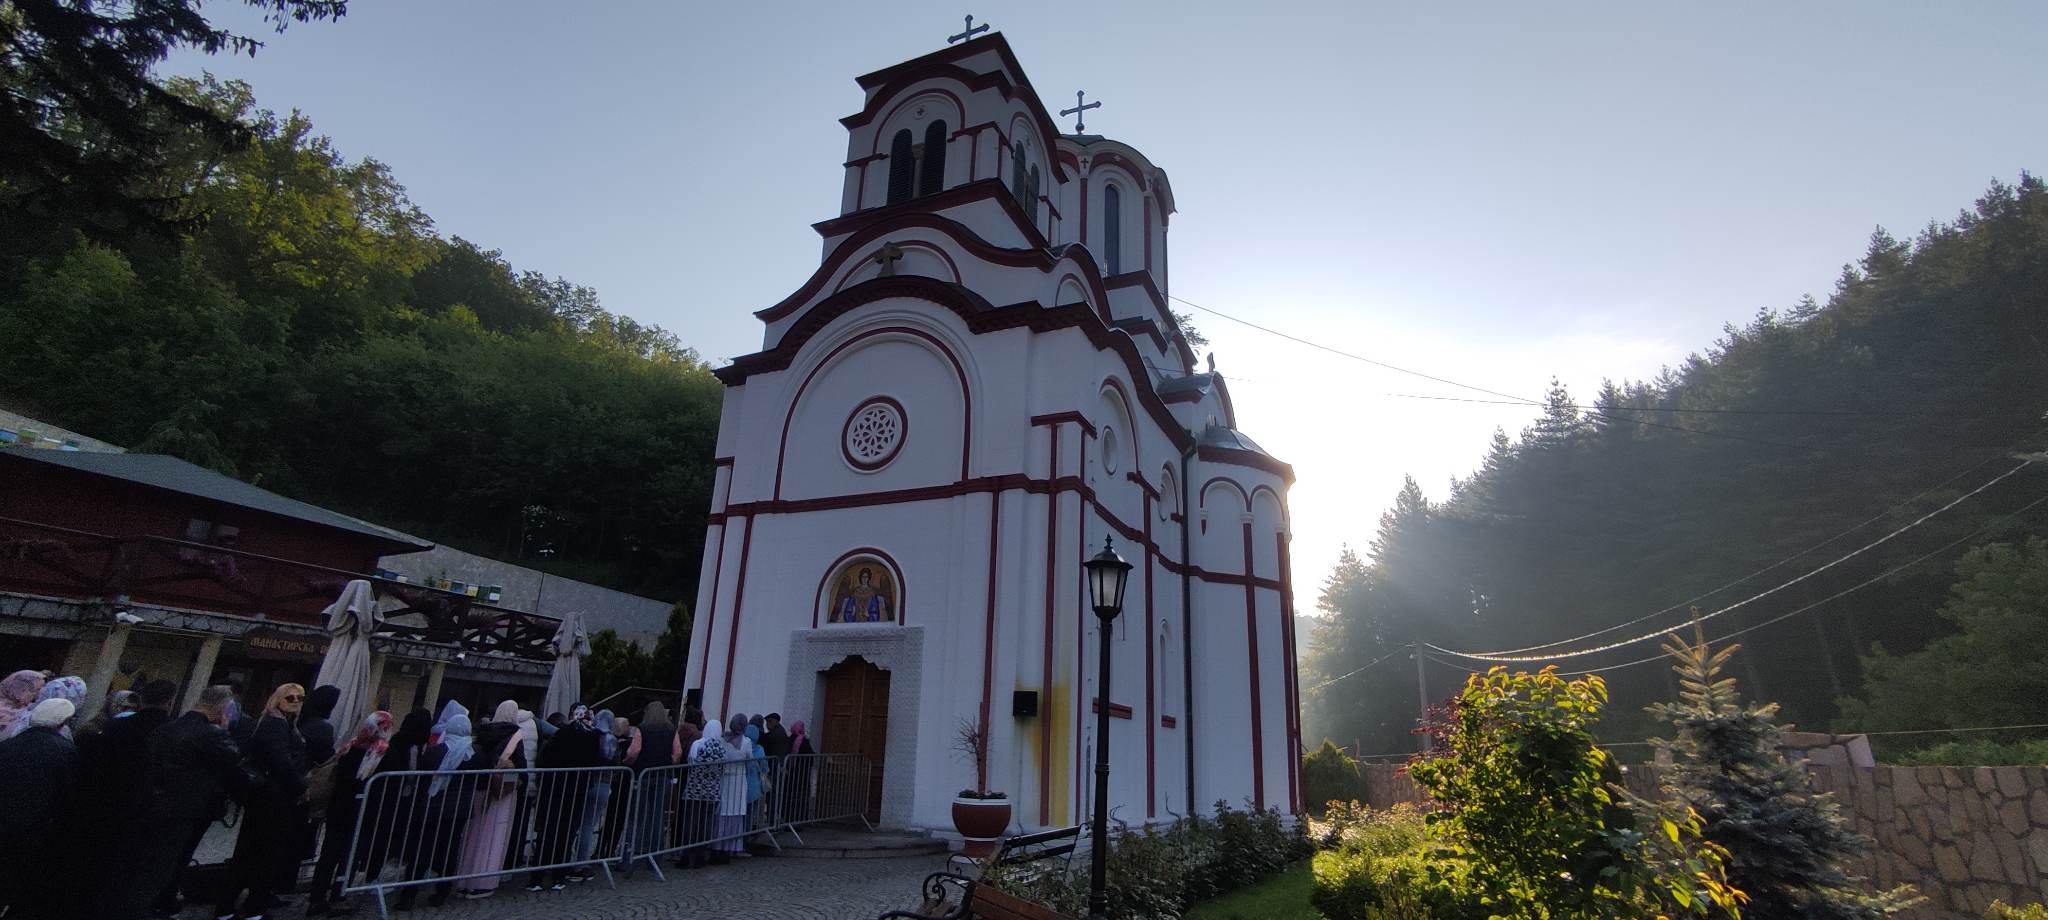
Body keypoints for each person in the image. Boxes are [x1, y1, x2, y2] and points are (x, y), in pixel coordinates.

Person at [94, 686, 252, 920]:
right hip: (184, 808)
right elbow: (232, 759)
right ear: (222, 709)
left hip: (153, 803)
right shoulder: (212, 734)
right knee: (162, 865)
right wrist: (226, 729)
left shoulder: (168, 728)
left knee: (140, 862)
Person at [59, 679, 176, 916]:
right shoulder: (168, 733)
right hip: (138, 818)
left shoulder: (109, 729)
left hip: (100, 814)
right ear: (170, 703)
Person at [216, 683, 309, 920]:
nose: (296, 701)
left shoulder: (282, 724)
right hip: (271, 798)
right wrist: (301, 786)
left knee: (254, 850)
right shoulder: (274, 724)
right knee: (262, 852)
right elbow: (281, 762)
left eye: (300, 697)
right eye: (290, 697)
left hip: (269, 796)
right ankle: (249, 907)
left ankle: (233, 904)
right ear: (277, 699)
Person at [307, 711, 395, 916]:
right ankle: (339, 895)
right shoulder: (381, 752)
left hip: (339, 806)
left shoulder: (351, 745)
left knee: (329, 852)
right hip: (361, 809)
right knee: (350, 853)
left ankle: (317, 896)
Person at [0, 698, 80, 916]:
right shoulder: (65, 751)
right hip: (31, 827)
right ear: (61, 723)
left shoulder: (10, 743)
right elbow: (67, 793)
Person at [396, 711, 478, 910]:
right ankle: (442, 890)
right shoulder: (473, 754)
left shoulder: (436, 751)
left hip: (431, 807)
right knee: (448, 850)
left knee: (422, 850)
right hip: (458, 810)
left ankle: (409, 894)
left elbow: (422, 779)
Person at [451, 701, 525, 900]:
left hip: (480, 788)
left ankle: (464, 879)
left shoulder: (483, 733)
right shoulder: (514, 734)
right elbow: (522, 765)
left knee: (474, 833)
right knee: (495, 835)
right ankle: (483, 881)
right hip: (502, 792)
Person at [355, 709, 432, 888]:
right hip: (390, 799)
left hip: (391, 799)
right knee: (379, 838)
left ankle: (367, 874)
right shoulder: (402, 745)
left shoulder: (406, 743)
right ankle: (366, 875)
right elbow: (409, 772)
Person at [529, 704, 602, 890]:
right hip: (575, 791)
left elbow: (544, 762)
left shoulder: (560, 737)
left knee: (547, 833)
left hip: (554, 790)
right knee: (565, 833)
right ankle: (558, 876)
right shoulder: (591, 739)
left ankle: (538, 876)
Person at [628, 701, 679, 862]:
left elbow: (634, 751)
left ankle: (632, 852)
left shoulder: (642, 729)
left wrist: (627, 761)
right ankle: (655, 854)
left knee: (638, 814)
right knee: (658, 816)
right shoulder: (671, 730)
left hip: (643, 773)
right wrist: (666, 761)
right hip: (663, 775)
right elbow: (677, 753)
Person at [681, 718, 733, 867]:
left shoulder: (698, 744)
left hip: (694, 789)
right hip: (712, 792)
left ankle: (686, 856)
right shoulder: (721, 749)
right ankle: (700, 856)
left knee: (690, 822)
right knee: (705, 824)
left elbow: (691, 761)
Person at [715, 715, 752, 860]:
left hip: (725, 778)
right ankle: (730, 847)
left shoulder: (723, 739)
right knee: (734, 812)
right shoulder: (746, 742)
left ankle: (717, 846)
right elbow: (749, 757)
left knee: (723, 812)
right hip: (738, 779)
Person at [0, 669, 44, 742]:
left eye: (39, 690)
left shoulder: (25, 707)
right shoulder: (3, 710)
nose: (37, 694)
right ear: (18, 688)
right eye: (34, 690)